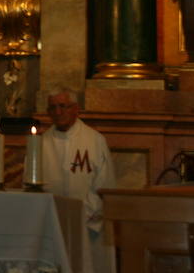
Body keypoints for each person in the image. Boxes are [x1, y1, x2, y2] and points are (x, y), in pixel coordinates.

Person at [42, 87, 115, 273]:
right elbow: (31, 183)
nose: (57, 112)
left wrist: (80, 215)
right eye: (52, 108)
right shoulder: (40, 143)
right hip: (53, 226)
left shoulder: (94, 140)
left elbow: (104, 183)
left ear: (76, 109)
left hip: (88, 226)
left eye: (63, 106)